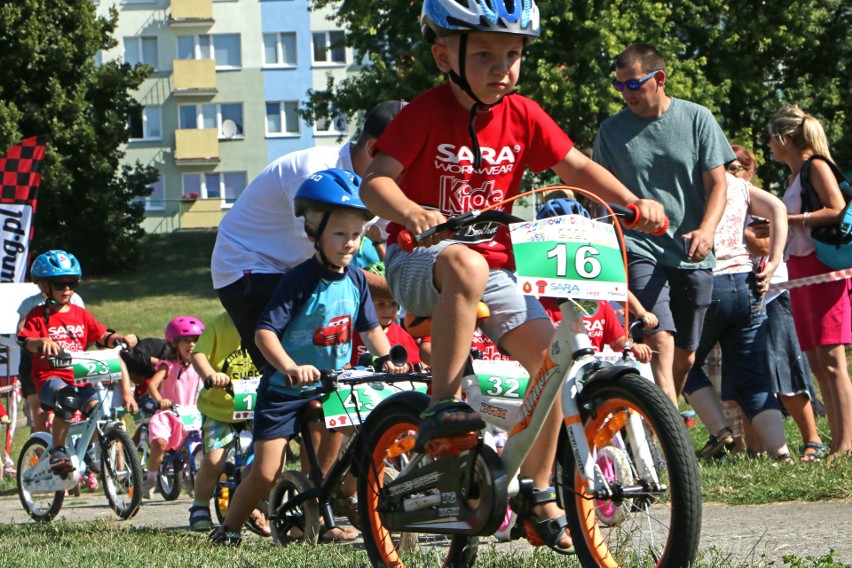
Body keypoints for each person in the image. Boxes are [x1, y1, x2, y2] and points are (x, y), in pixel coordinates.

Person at [359, 0, 665, 551]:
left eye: (512, 54)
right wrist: (412, 213)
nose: (502, 67)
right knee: (463, 260)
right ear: (442, 55)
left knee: (555, 363)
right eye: (483, 54)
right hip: (419, 260)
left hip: (492, 270)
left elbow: (575, 166)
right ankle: (441, 406)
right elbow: (375, 183)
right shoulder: (424, 113)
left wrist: (629, 201)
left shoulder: (523, 113)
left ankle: (538, 492)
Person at [209, 168, 405, 546]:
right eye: (339, 234)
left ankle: (317, 521)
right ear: (313, 233)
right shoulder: (299, 279)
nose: (349, 243)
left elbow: (372, 330)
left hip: (331, 386)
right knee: (266, 473)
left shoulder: (358, 280)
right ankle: (228, 528)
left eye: (356, 234)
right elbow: (264, 332)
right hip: (285, 389)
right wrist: (289, 367)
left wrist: (390, 362)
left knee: (325, 468)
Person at [211, 100, 406, 368]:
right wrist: (398, 289)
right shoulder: (314, 171)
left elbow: (397, 237)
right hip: (248, 266)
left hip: (292, 266)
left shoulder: (375, 182)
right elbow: (328, 257)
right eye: (407, 161)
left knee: (328, 369)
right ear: (374, 150)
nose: (411, 172)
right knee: (291, 371)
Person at [593, 43, 735, 406]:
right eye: (619, 86)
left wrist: (707, 230)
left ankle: (656, 414)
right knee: (660, 340)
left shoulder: (697, 118)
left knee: (685, 355)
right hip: (638, 248)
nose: (626, 93)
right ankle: (670, 446)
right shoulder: (610, 131)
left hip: (691, 253)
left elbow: (719, 184)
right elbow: (596, 192)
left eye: (634, 84)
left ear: (659, 79)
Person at [681, 150, 795, 463]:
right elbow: (777, 208)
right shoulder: (738, 185)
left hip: (708, 282)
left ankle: (722, 432)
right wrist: (773, 261)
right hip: (746, 284)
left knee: (683, 363)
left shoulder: (689, 183)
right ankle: (782, 453)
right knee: (754, 378)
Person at [734, 145, 827, 461]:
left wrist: (739, 230)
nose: (732, 176)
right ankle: (754, 449)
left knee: (786, 367)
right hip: (742, 297)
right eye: (726, 170)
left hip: (775, 294)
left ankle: (813, 439)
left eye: (737, 169)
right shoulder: (721, 204)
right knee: (747, 374)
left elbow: (765, 246)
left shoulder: (764, 205)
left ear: (750, 171)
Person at [769, 104, 852, 455]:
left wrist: (792, 220)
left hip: (823, 268)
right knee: (817, 361)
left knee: (833, 360)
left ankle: (846, 444)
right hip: (801, 271)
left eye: (770, 139)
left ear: (784, 138)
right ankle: (837, 440)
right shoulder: (792, 177)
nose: (768, 147)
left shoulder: (815, 166)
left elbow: (835, 207)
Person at [17, 250, 138, 472]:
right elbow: (25, 341)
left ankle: (87, 449)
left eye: (72, 284)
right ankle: (58, 450)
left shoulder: (81, 314)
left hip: (80, 377)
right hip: (49, 379)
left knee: (99, 409)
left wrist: (119, 338)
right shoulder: (36, 315)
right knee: (67, 399)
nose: (67, 289)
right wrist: (41, 342)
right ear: (44, 286)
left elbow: (101, 335)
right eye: (60, 284)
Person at [189, 311, 265, 533]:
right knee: (214, 460)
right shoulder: (217, 326)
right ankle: (199, 506)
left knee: (262, 459)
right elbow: (199, 354)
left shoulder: (265, 322)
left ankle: (254, 505)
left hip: (255, 406)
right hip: (219, 408)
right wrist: (210, 374)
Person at [143, 316, 205, 498]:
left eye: (195, 340)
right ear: (175, 343)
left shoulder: (199, 365)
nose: (191, 345)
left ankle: (191, 476)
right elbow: (152, 385)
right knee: (160, 442)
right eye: (186, 340)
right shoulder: (168, 365)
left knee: (198, 444)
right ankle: (152, 478)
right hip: (168, 413)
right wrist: (160, 400)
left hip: (191, 413)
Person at [16, 284, 86, 434]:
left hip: (66, 364)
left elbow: (84, 330)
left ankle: (68, 449)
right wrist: (41, 341)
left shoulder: (76, 300)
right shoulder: (30, 303)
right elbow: (21, 335)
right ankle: (40, 454)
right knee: (40, 415)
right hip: (34, 363)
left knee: (69, 411)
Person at [350, 263, 422, 369]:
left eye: (393, 304)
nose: (388, 310)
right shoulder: (353, 332)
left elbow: (417, 365)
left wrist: (406, 367)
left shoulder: (402, 336)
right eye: (380, 304)